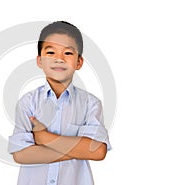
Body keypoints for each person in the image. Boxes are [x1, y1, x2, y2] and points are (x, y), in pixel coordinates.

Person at [8, 21, 111, 185]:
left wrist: (45, 138)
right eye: (51, 52)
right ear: (40, 60)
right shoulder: (28, 103)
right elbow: (21, 154)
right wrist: (79, 150)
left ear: (79, 62)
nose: (59, 59)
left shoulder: (90, 104)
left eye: (68, 53)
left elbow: (98, 151)